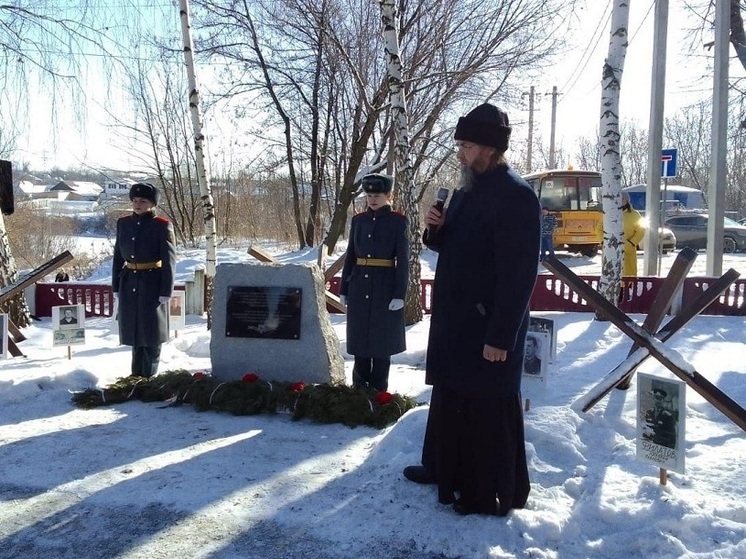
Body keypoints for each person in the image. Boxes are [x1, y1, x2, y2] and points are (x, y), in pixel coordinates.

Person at [402, 103, 541, 517]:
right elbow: (452, 246)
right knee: (451, 395)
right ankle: (444, 467)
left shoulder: (516, 196)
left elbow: (519, 277)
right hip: (455, 322)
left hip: (487, 327)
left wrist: (501, 336)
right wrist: (435, 230)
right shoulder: (465, 191)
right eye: (459, 144)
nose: (459, 152)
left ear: (489, 147)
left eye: (465, 144)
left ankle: (485, 492)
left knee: (485, 406)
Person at [339, 173, 408, 392]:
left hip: (384, 288)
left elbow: (403, 261)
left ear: (389, 195)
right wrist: (344, 288)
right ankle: (359, 393)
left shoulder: (398, 221)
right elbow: (351, 255)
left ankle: (379, 394)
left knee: (381, 342)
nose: (372, 199)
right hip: (359, 285)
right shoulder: (359, 221)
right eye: (369, 195)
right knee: (360, 342)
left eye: (377, 195)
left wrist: (399, 294)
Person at [112, 182, 176, 378]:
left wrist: (166, 290)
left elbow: (169, 260)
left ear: (152, 204)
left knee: (151, 331)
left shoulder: (161, 226)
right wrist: (116, 286)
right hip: (129, 281)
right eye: (135, 200)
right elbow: (117, 257)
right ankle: (135, 375)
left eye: (143, 201)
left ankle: (148, 376)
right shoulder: (123, 223)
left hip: (152, 283)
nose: (138, 204)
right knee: (134, 330)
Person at [621, 192, 645, 276]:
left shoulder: (634, 215)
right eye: (619, 198)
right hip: (611, 249)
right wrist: (603, 241)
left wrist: (632, 242)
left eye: (623, 199)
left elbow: (641, 229)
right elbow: (599, 228)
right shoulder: (609, 214)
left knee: (629, 274)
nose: (620, 201)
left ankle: (629, 288)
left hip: (628, 249)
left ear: (627, 201)